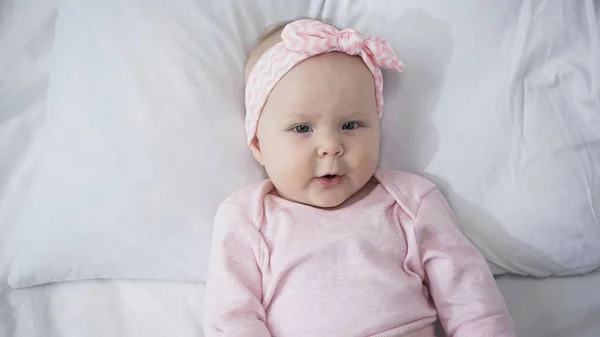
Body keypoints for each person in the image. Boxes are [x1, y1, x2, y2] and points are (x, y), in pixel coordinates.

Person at [204, 18, 516, 337]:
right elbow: (232, 318)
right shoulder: (248, 219)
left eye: (351, 125)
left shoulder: (410, 202)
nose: (331, 147)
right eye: (302, 129)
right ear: (258, 144)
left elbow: (471, 301)